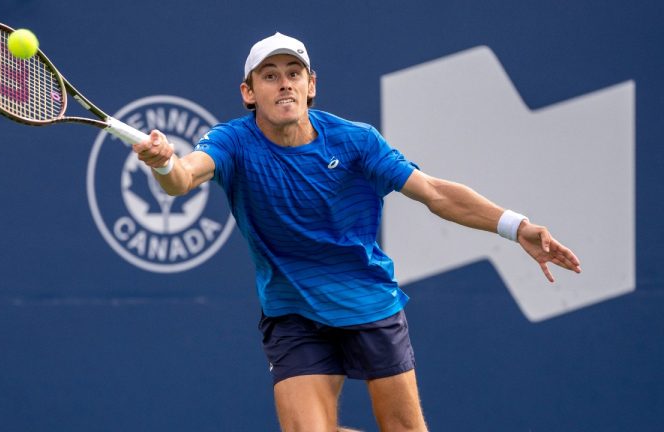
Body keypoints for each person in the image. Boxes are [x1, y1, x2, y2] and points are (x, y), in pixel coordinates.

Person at [132, 32, 582, 432]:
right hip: (293, 314)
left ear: (312, 85)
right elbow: (184, 179)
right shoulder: (232, 142)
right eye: (269, 76)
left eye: (294, 72)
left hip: (368, 304)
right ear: (248, 93)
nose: (284, 82)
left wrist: (514, 225)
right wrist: (166, 163)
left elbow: (434, 193)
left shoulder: (355, 141)